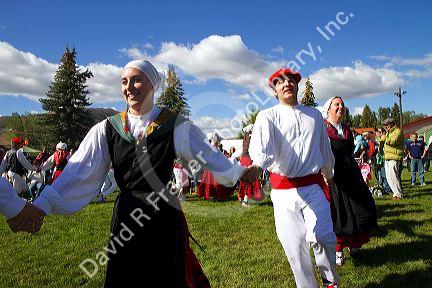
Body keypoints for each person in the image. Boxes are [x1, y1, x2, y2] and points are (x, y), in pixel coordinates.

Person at [6, 60, 253, 287]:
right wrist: (42, 205)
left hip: (163, 214)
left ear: (152, 85)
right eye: (124, 82)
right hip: (126, 213)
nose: (129, 87)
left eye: (136, 80)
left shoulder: (174, 125)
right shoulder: (108, 128)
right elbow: (79, 170)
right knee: (127, 277)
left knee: (165, 277)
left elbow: (208, 155)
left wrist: (240, 172)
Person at [247, 68, 339, 288]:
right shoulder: (267, 116)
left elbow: (324, 149)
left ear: (297, 85)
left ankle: (330, 281)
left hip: (314, 187)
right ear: (275, 90)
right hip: (283, 192)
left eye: (290, 81)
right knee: (295, 248)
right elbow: (263, 150)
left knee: (323, 236)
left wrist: (330, 174)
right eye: (280, 82)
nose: (286, 84)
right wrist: (258, 165)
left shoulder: (314, 115)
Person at [322, 97, 377, 266]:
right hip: (334, 176)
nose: (341, 107)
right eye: (337, 104)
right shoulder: (323, 129)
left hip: (351, 174)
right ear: (328, 109)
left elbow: (351, 151)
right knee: (339, 213)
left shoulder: (346, 129)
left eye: (342, 105)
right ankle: (338, 250)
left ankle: (353, 244)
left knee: (360, 208)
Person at [238, 124, 263, 207]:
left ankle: (242, 198)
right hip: (248, 159)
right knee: (251, 180)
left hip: (244, 159)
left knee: (245, 180)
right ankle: (245, 200)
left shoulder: (246, 138)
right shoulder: (251, 138)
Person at [382, 118, 404, 199]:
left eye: (386, 125)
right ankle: (396, 193)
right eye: (384, 126)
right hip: (388, 157)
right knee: (389, 177)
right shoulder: (388, 133)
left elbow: (393, 141)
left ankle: (398, 194)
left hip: (394, 157)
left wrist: (383, 137)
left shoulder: (398, 131)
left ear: (391, 124)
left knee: (393, 176)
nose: (385, 127)